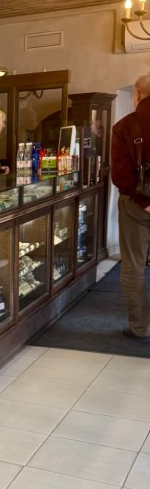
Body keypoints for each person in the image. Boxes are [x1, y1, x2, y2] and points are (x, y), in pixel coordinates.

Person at [110, 73, 150, 342]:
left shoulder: (124, 127)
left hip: (136, 206)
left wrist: (145, 201)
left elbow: (120, 176)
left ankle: (140, 327)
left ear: (137, 95)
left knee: (134, 266)